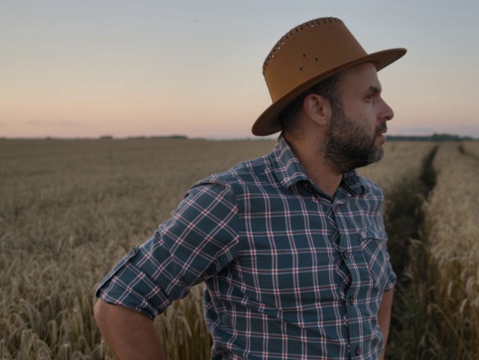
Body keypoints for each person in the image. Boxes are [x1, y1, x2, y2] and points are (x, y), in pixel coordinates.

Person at [94, 16, 406, 359]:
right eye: (369, 97)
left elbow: (383, 288)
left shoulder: (366, 198)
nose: (387, 111)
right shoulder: (233, 199)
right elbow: (120, 303)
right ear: (318, 108)